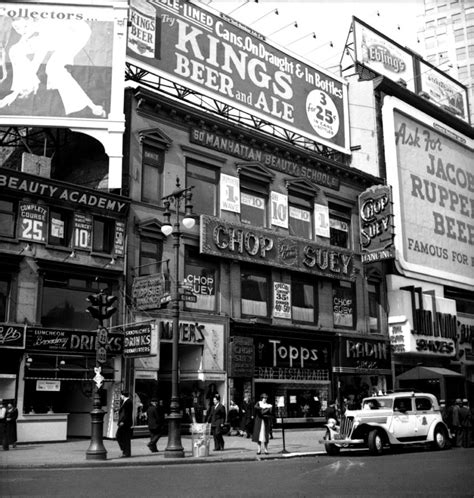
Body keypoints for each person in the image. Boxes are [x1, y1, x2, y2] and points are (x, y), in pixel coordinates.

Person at [116, 390, 133, 458]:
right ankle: (125, 451)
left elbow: (127, 413)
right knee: (123, 437)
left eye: (121, 395)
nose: (120, 397)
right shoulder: (125, 402)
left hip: (125, 423)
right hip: (124, 422)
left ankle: (125, 451)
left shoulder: (128, 402)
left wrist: (123, 421)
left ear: (123, 395)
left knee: (120, 436)